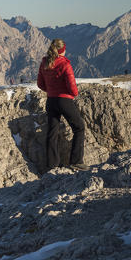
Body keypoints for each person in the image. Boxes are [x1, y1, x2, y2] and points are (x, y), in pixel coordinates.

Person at [37, 39, 89, 171]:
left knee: (52, 132)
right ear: (62, 50)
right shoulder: (65, 64)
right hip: (64, 100)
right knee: (79, 127)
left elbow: (40, 84)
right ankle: (76, 161)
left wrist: (50, 91)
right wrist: (73, 94)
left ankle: (52, 165)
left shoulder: (45, 62)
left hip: (51, 100)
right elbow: (73, 88)